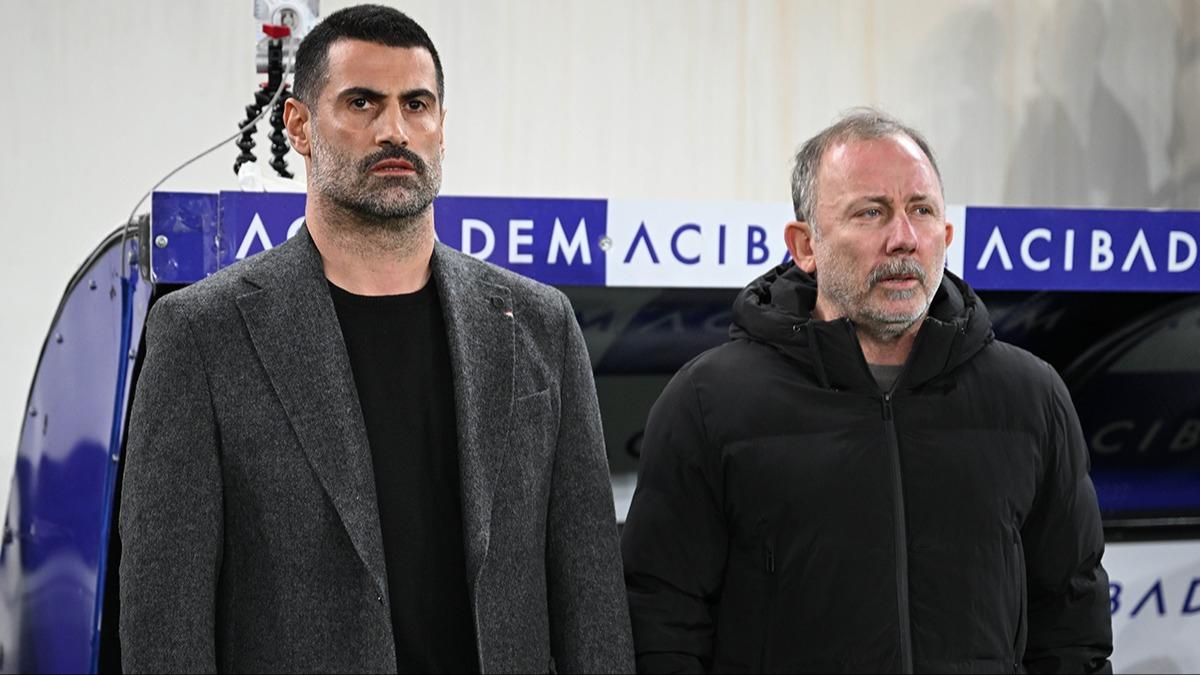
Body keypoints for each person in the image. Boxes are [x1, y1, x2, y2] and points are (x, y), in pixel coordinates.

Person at [119, 5, 632, 673]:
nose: (395, 129)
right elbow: (165, 624)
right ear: (298, 126)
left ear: (441, 127)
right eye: (362, 103)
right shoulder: (201, 335)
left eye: (416, 104)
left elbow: (592, 599)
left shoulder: (540, 325)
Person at [621, 108, 1113, 674]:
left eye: (921, 210)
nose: (903, 238)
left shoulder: (1032, 398)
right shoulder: (707, 402)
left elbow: (1071, 629)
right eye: (871, 212)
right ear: (805, 246)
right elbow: (661, 628)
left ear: (946, 236)